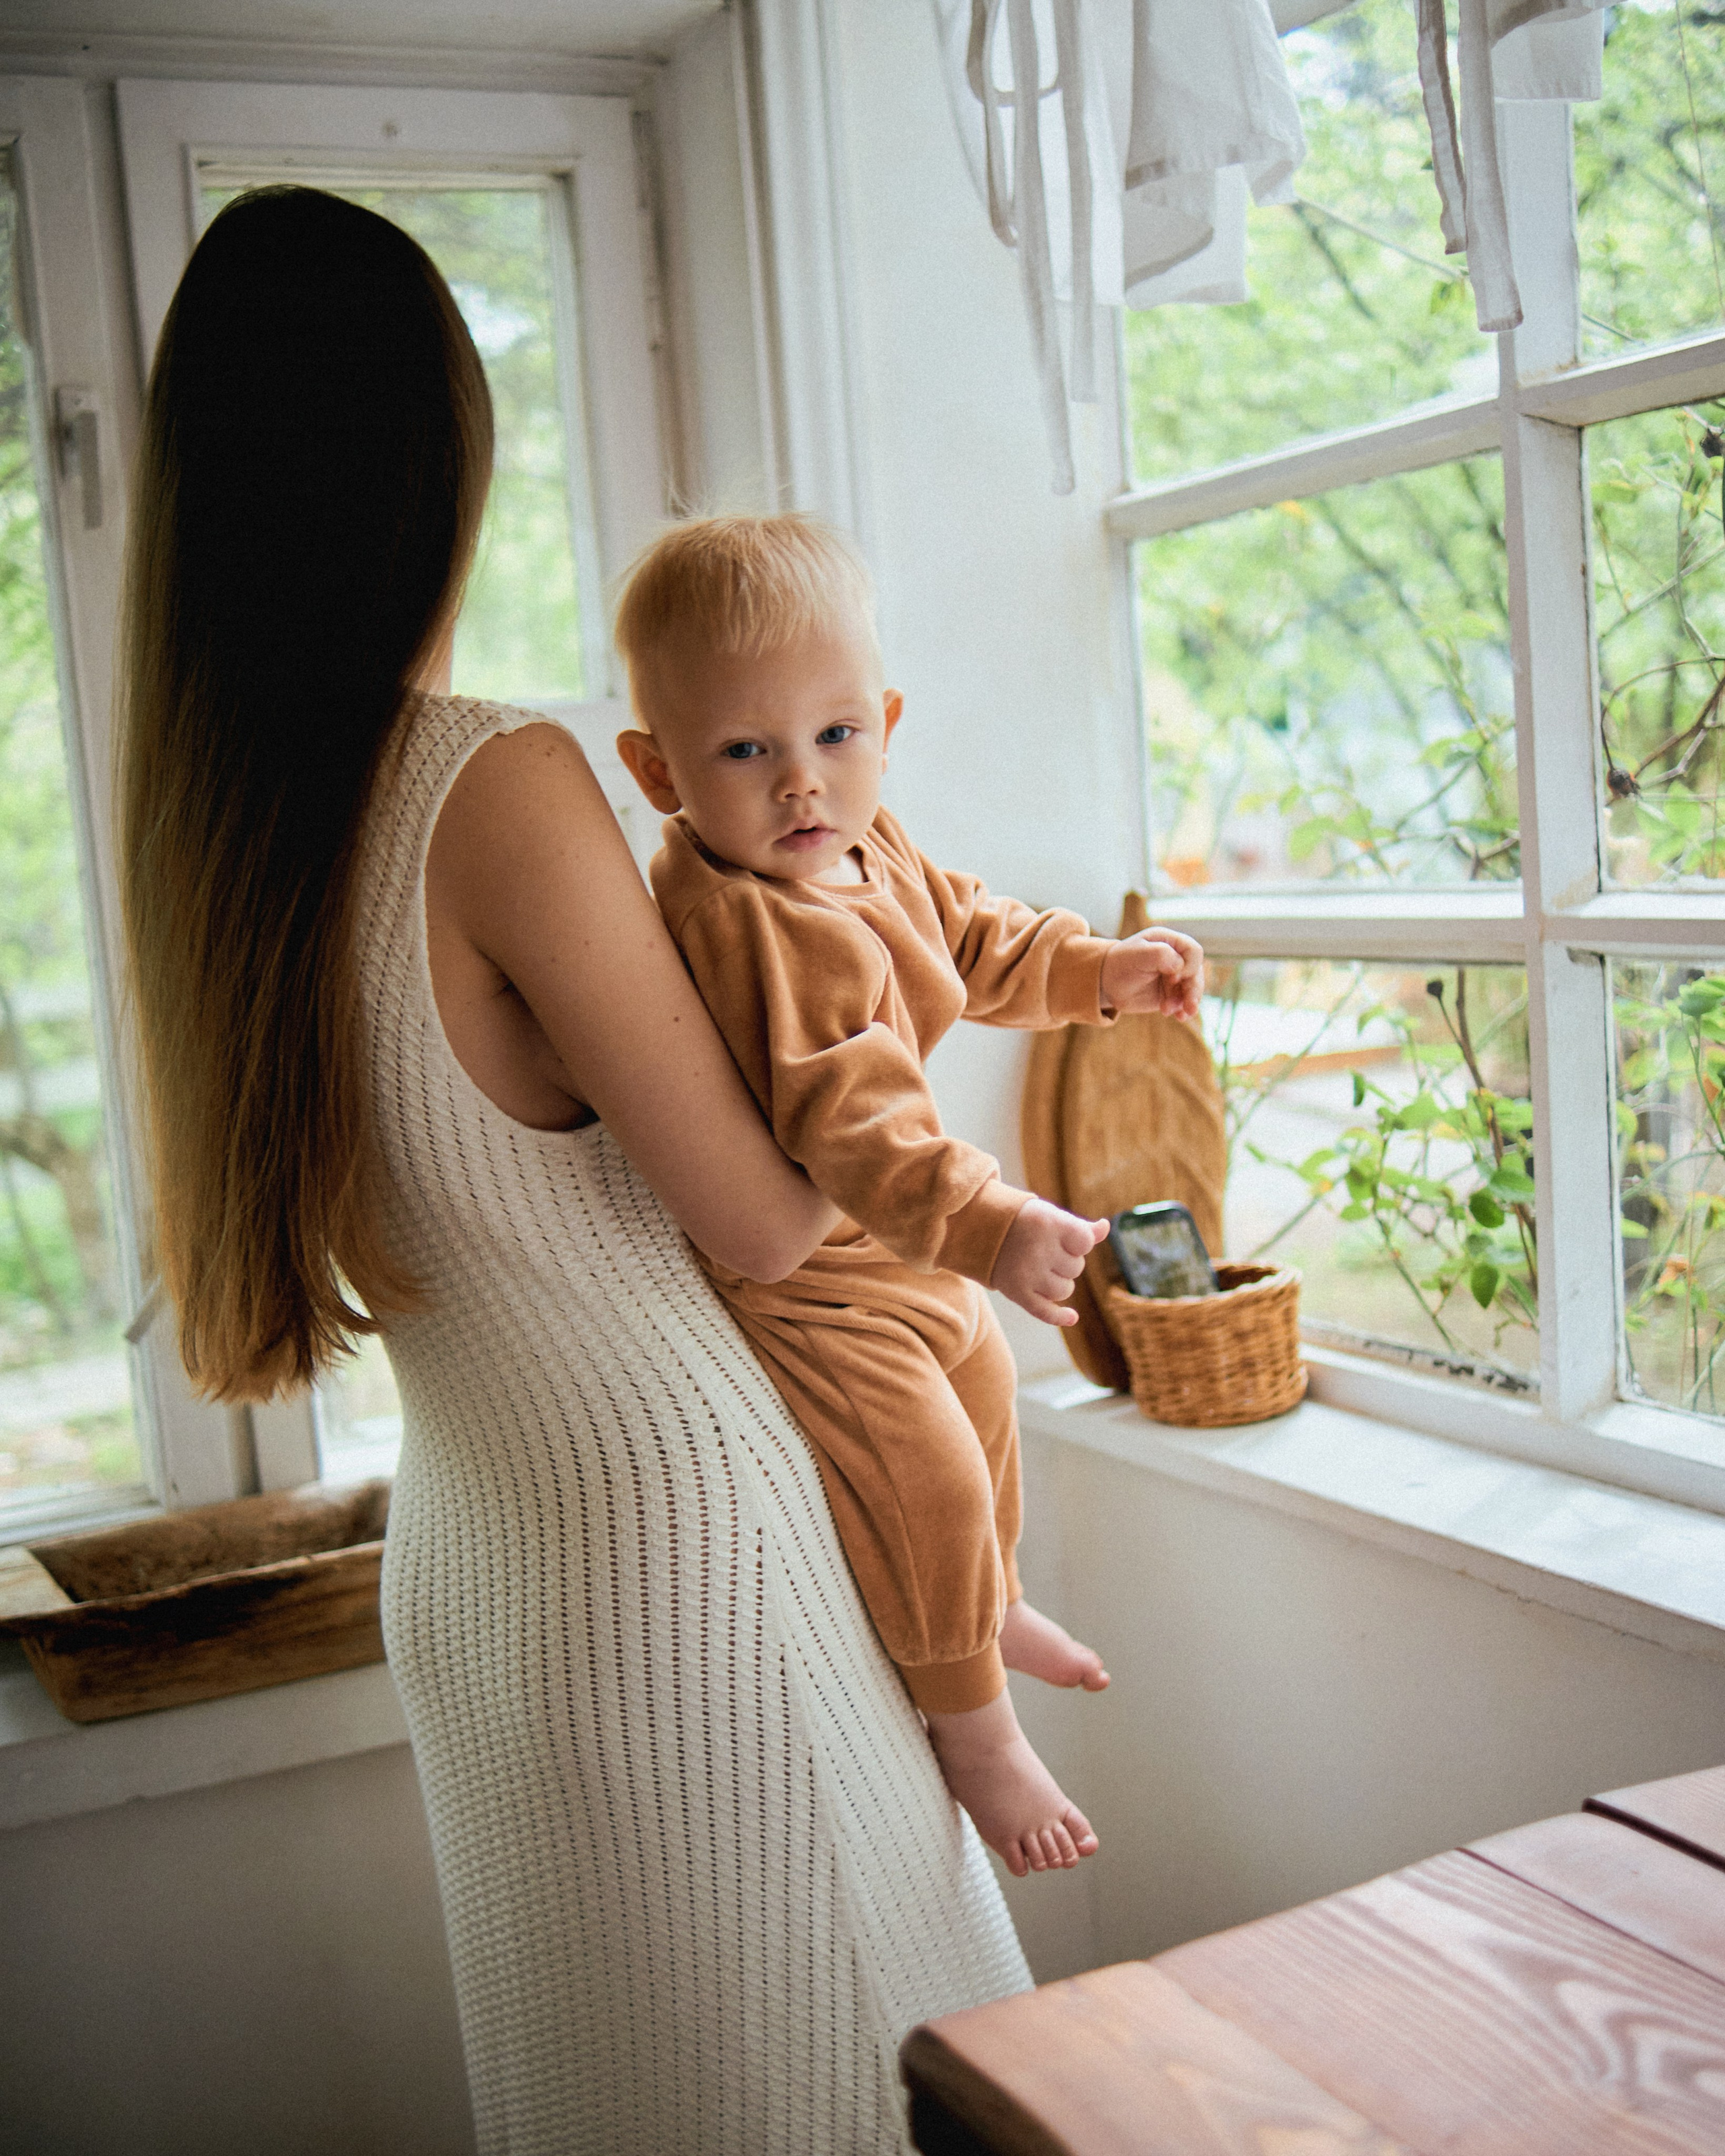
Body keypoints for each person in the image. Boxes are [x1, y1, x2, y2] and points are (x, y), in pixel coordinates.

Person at [117, 185, 1030, 2156]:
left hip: (483, 1570)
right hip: (686, 1562)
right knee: (863, 2092)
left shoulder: (213, 856)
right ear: (438, 464)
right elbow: (774, 1215)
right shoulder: (491, 781)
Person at [613, 514, 1204, 1879]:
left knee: (989, 1399)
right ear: (657, 771)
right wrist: (993, 1224)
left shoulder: (862, 846)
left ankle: (983, 1607)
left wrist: (1099, 970)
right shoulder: (743, 918)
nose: (799, 785)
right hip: (817, 1285)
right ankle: (973, 1726)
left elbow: (978, 934)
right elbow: (850, 1124)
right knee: (926, 1473)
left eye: (832, 737)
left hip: (910, 1252)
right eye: (743, 752)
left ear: (880, 723)